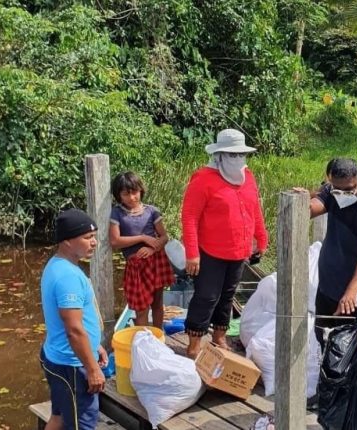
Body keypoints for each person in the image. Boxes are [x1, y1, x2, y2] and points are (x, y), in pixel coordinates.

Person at [181, 129, 268, 357]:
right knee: (206, 296)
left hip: (238, 250)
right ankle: (194, 343)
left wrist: (261, 237)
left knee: (228, 295)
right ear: (219, 155)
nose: (237, 159)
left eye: (241, 155)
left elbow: (254, 209)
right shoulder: (203, 179)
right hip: (210, 250)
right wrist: (192, 253)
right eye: (231, 155)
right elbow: (190, 217)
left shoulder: (247, 176)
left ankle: (219, 336)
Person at [298, 158, 357, 344]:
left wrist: (351, 292)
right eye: (337, 189)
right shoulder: (333, 192)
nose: (343, 194)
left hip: (355, 297)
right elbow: (314, 207)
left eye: (349, 189)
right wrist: (301, 202)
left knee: (352, 347)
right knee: (325, 339)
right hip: (328, 287)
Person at [40, 209, 107, 430]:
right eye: (87, 238)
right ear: (67, 241)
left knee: (59, 417)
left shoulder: (57, 265)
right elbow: (74, 330)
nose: (94, 242)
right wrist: (93, 369)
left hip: (56, 356)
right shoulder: (68, 276)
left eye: (94, 236)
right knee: (82, 425)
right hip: (72, 366)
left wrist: (95, 345)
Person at [109, 172, 174, 329]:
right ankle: (144, 341)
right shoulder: (117, 212)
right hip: (136, 266)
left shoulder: (151, 211)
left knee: (158, 303)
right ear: (119, 195)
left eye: (135, 192)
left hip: (156, 261)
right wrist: (143, 238)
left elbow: (164, 237)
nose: (132, 197)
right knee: (141, 308)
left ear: (141, 191)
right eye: (126, 194)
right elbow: (115, 241)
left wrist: (152, 249)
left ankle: (158, 337)